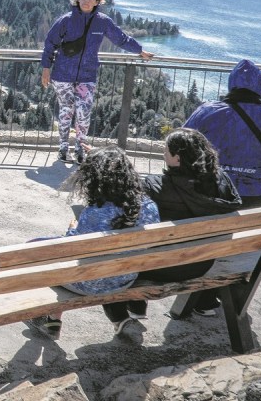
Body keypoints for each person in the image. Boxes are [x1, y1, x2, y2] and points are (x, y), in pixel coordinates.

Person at [24, 146, 160, 340]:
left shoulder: (96, 212)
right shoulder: (149, 206)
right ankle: (55, 319)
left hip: (89, 283)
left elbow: (74, 250)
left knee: (33, 251)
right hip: (126, 277)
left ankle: (50, 319)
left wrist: (73, 228)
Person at [107, 128, 240, 321]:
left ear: (177, 159)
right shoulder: (223, 183)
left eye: (166, 150)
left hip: (161, 267)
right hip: (202, 263)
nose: (163, 153)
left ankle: (133, 306)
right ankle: (138, 305)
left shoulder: (155, 187)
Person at [40, 0, 154, 164]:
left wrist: (139, 51)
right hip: (62, 74)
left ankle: (80, 147)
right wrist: (46, 68)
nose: (87, 0)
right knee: (66, 110)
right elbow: (50, 44)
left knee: (84, 112)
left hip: (87, 75)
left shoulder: (103, 22)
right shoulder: (66, 20)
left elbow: (121, 39)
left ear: (97, 2)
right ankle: (63, 147)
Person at [183, 59, 261, 210]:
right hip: (254, 196)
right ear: (260, 86)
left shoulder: (208, 111)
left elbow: (182, 141)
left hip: (213, 190)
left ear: (231, 83)